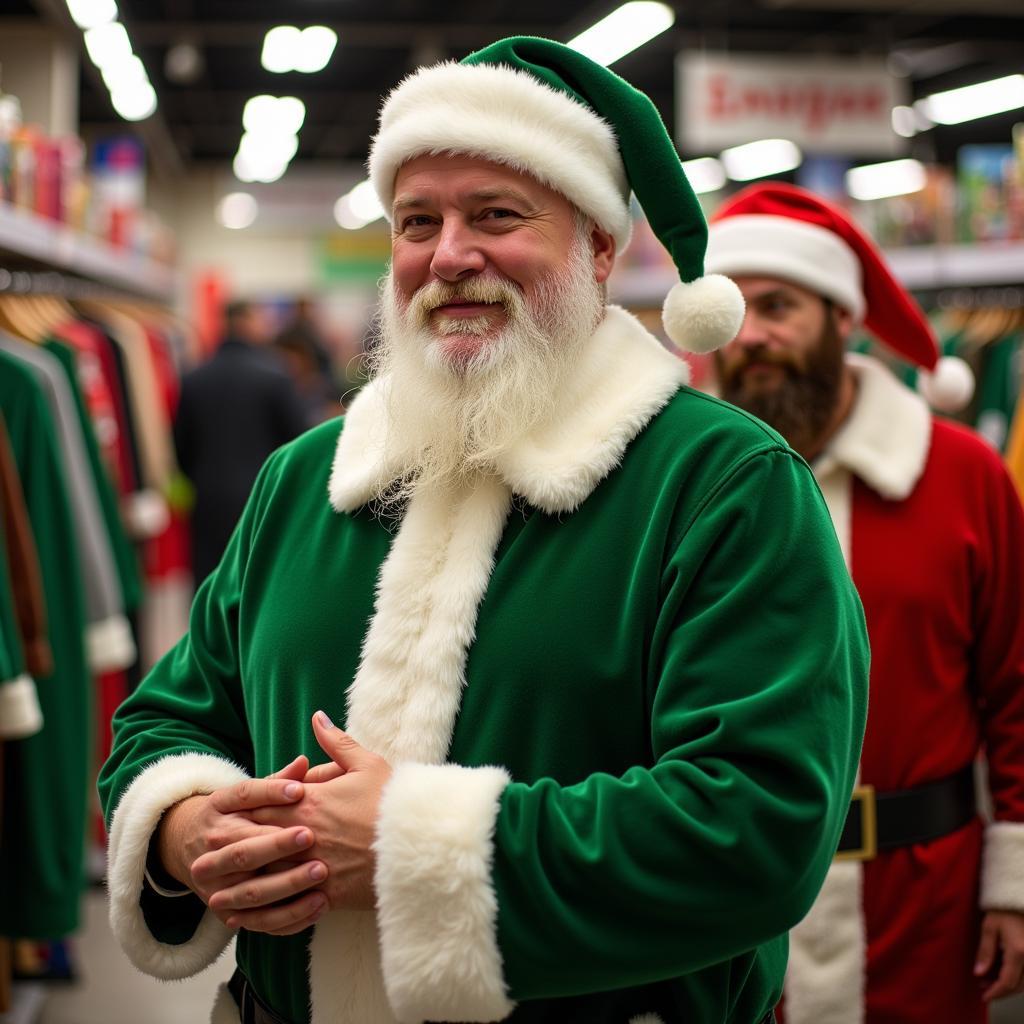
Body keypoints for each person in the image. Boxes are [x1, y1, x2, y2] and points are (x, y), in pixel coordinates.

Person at [99, 39, 868, 1024]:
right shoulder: (308, 480)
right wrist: (187, 826)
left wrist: (413, 844)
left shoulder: (726, 486)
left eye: (497, 215)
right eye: (416, 221)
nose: (449, 255)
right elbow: (169, 718)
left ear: (600, 246)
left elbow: (760, 827)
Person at [704, 182, 1024, 1024]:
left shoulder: (960, 477)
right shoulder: (683, 489)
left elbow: (1018, 688)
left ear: (844, 319)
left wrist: (1016, 883)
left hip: (926, 900)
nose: (755, 336)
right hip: (730, 898)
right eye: (734, 311)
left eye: (779, 306)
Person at [173, 299, 310, 584]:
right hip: (264, 495)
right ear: (246, 323)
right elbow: (298, 442)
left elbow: (180, 446)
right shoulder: (275, 376)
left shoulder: (192, 379)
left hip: (208, 499)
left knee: (210, 580)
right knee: (257, 578)